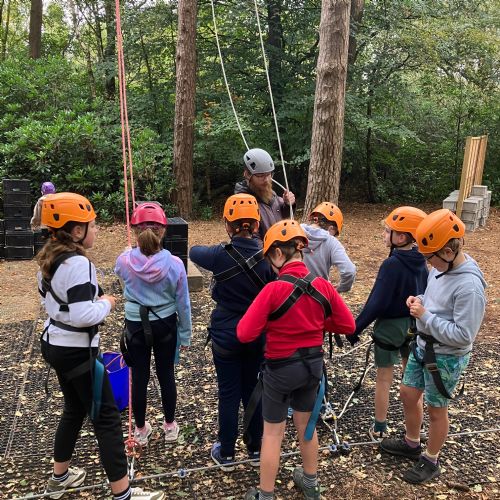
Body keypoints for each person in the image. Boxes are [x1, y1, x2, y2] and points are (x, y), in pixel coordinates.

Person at [38, 192, 163, 500]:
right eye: (92, 225)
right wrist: (106, 303)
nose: (96, 230)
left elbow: (52, 301)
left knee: (74, 409)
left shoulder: (49, 258)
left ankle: (59, 478)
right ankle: (124, 494)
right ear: (76, 231)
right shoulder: (79, 264)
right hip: (76, 352)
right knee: (107, 419)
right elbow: (83, 315)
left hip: (55, 344)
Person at [237, 220, 356, 500]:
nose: (270, 266)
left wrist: (270, 323)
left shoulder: (273, 290)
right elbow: (348, 325)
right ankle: (311, 483)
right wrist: (317, 323)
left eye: (270, 259)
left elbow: (244, 333)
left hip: (280, 370)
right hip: (312, 367)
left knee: (273, 434)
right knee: (307, 425)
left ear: (279, 253)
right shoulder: (323, 286)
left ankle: (266, 495)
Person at [380, 209, 486, 484]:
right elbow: (433, 297)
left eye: (431, 258)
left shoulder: (469, 287)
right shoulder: (440, 269)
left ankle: (431, 459)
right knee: (407, 392)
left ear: (448, 252)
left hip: (446, 356)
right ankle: (412, 442)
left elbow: (464, 335)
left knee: (436, 409)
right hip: (424, 344)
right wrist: (420, 299)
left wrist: (425, 316)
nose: (428, 263)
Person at [189, 194, 275, 470]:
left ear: (228, 225)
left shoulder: (219, 255)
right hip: (257, 334)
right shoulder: (268, 258)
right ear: (257, 224)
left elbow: (193, 251)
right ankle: (255, 449)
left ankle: (226, 452)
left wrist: (221, 249)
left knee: (228, 392)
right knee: (253, 390)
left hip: (226, 334)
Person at [115, 202, 192, 447]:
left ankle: (140, 430)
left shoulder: (124, 261)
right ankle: (169, 426)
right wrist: (185, 334)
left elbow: (120, 273)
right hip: (164, 324)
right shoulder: (175, 264)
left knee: (139, 377)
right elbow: (183, 303)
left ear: (135, 231)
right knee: (166, 374)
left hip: (136, 324)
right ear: (164, 230)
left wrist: (129, 254)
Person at [349, 206, 428, 442]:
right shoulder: (422, 261)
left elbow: (377, 302)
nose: (384, 235)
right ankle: (417, 427)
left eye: (387, 231)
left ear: (401, 237)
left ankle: (379, 427)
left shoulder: (391, 264)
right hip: (414, 325)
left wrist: (355, 328)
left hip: (390, 328)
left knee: (384, 378)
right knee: (412, 379)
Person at [234, 148, 295, 240]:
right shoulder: (242, 203)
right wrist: (275, 248)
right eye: (261, 176)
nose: (266, 180)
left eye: (268, 174)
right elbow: (250, 240)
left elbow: (282, 214)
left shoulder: (270, 193)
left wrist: (287, 204)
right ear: (247, 175)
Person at [301, 202, 356, 292]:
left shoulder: (294, 233)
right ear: (331, 228)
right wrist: (340, 289)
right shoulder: (332, 242)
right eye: (335, 234)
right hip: (318, 294)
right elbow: (349, 271)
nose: (334, 236)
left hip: (289, 293)